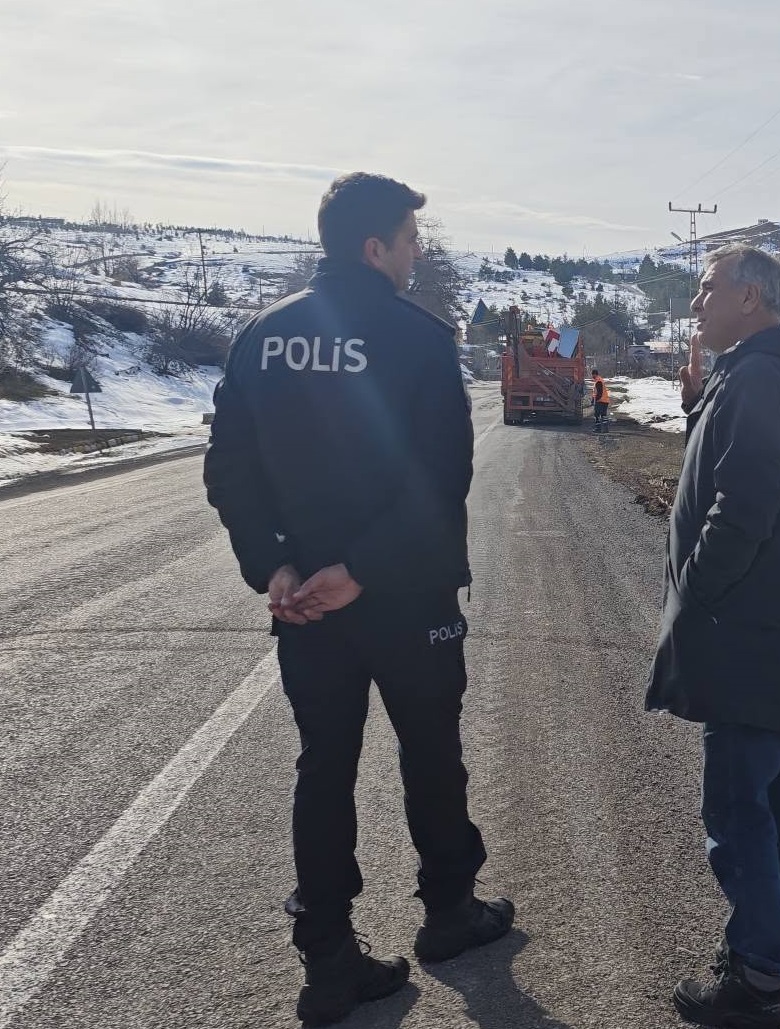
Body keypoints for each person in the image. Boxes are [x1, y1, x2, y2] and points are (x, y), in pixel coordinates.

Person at [204, 172, 512, 1027]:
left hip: (307, 603)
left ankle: (328, 955)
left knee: (324, 766)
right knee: (429, 752)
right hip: (405, 595)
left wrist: (274, 566)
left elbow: (229, 468)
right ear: (375, 247)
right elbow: (441, 475)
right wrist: (364, 569)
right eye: (411, 238)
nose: (417, 252)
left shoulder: (263, 336)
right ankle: (450, 911)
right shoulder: (417, 338)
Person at [647, 243, 780, 1029]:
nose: (697, 303)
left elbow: (743, 506)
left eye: (707, 288)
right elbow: (740, 467)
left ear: (752, 300)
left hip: (750, 632)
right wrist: (699, 400)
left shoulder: (759, 377)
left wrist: (693, 594)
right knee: (778, 798)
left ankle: (756, 978)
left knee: (737, 807)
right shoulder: (759, 374)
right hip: (778, 631)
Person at [591, 367, 611, 432]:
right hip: (605, 400)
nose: (592, 376)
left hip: (601, 401)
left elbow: (599, 393)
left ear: (595, 374)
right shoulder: (599, 380)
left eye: (592, 375)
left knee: (597, 415)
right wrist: (593, 399)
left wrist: (596, 400)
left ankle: (598, 429)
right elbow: (596, 392)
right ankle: (605, 429)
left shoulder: (598, 381)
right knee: (603, 415)